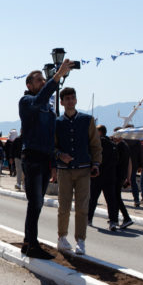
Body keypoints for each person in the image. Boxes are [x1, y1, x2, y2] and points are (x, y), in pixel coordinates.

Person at [18, 61, 74, 259]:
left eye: (44, 79)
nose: (43, 82)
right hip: (32, 157)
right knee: (35, 202)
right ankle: (31, 244)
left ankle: (28, 242)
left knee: (38, 203)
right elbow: (40, 100)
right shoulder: (26, 102)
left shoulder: (48, 107)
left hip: (44, 159)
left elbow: (50, 136)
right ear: (29, 85)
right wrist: (56, 77)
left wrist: (53, 163)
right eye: (39, 80)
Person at [54, 88, 101, 255]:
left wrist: (96, 163)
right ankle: (62, 238)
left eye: (73, 98)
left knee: (82, 206)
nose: (70, 101)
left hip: (83, 169)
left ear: (76, 100)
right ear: (62, 102)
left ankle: (81, 240)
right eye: (67, 99)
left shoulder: (87, 120)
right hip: (64, 171)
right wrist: (60, 155)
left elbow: (95, 144)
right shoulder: (57, 123)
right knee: (64, 206)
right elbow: (53, 146)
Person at [87, 125, 119, 230]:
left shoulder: (96, 144)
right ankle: (113, 221)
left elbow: (91, 158)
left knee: (93, 199)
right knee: (111, 200)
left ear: (99, 132)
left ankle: (88, 219)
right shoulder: (113, 145)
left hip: (97, 175)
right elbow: (116, 161)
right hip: (111, 176)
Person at [112, 127, 134, 229]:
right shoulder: (126, 146)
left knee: (116, 197)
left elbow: (116, 162)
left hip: (118, 175)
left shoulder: (119, 146)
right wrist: (128, 178)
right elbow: (130, 163)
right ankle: (115, 218)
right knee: (116, 196)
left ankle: (126, 218)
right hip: (123, 175)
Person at [123, 129, 143, 207]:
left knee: (119, 180)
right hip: (134, 164)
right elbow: (141, 154)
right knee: (133, 181)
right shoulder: (137, 141)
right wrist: (141, 165)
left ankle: (117, 199)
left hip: (124, 163)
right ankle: (136, 200)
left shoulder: (123, 140)